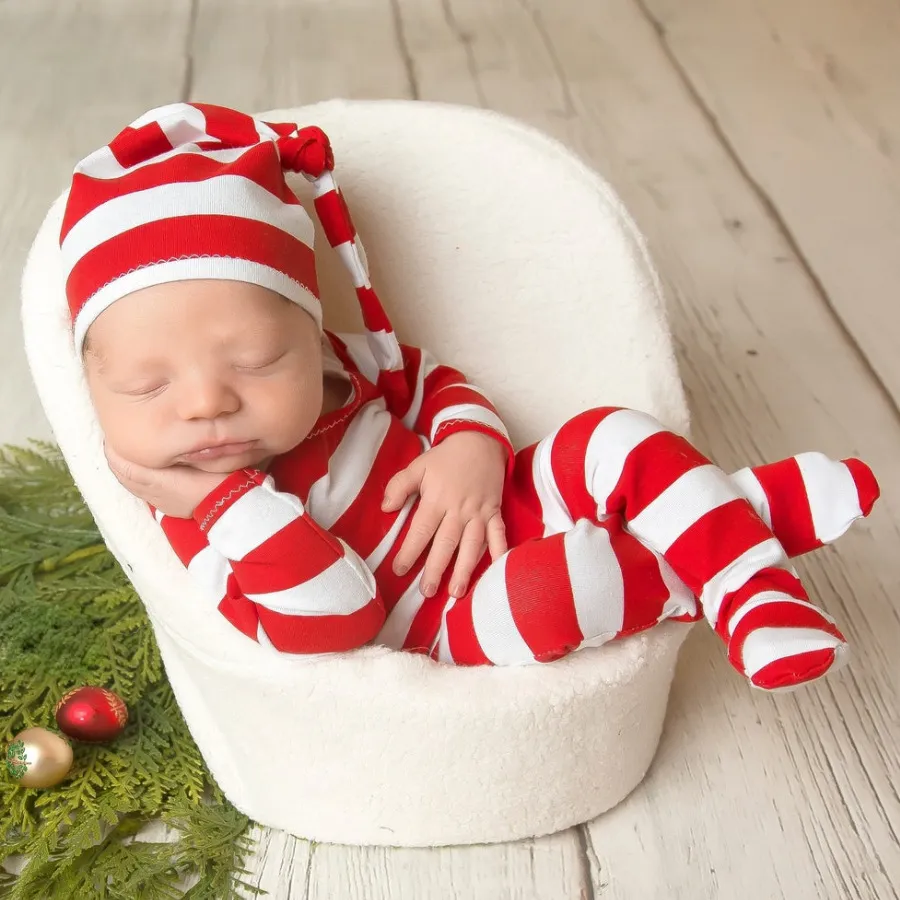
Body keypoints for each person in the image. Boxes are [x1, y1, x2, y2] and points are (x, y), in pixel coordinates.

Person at [61, 102, 879, 692]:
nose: (206, 403)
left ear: (310, 338)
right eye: (147, 385)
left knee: (612, 435)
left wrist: (471, 448)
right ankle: (738, 521)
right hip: (446, 618)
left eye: (256, 359)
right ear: (94, 388)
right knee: (563, 585)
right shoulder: (195, 516)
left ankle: (757, 596)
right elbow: (331, 621)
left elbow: (437, 384)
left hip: (505, 504)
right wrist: (225, 500)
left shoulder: (347, 365)